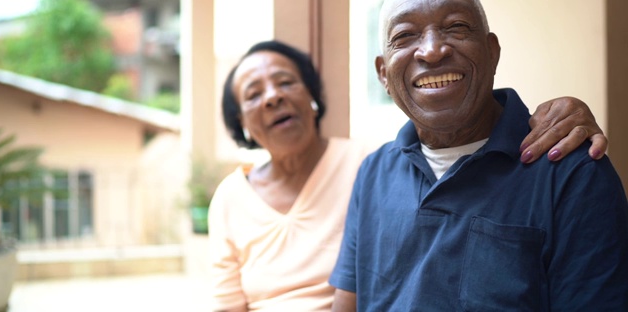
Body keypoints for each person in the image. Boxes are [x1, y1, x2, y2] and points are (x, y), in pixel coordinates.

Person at [208, 40, 609, 312]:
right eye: (254, 93)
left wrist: (565, 112)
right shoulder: (229, 198)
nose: (274, 96)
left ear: (311, 98)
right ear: (240, 122)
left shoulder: (372, 165)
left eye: (285, 82)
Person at [329, 0, 628, 311]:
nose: (431, 51)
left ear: (492, 52)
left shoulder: (570, 172)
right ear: (383, 73)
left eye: (456, 27)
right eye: (405, 35)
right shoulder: (374, 173)